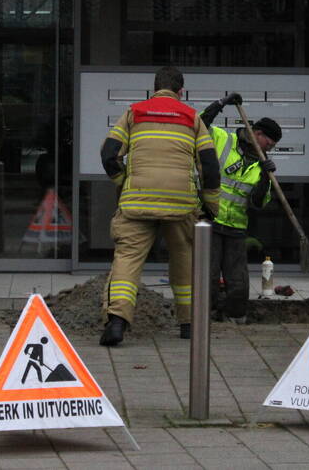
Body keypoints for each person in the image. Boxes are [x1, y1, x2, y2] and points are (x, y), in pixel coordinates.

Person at [98, 66, 221, 346]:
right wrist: (211, 206)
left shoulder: (134, 113)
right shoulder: (192, 118)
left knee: (128, 258)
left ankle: (117, 321)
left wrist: (123, 181)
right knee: (185, 257)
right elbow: (210, 167)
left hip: (137, 201)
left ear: (154, 89)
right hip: (180, 203)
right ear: (181, 92)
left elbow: (108, 155)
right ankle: (189, 324)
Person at [199, 94, 281, 324]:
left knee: (238, 281)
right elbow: (199, 125)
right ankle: (206, 317)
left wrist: (266, 176)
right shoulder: (222, 139)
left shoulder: (261, 166)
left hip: (236, 228)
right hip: (210, 221)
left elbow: (257, 203)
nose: (270, 148)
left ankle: (235, 316)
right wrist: (220, 103)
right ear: (258, 134)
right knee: (209, 275)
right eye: (269, 143)